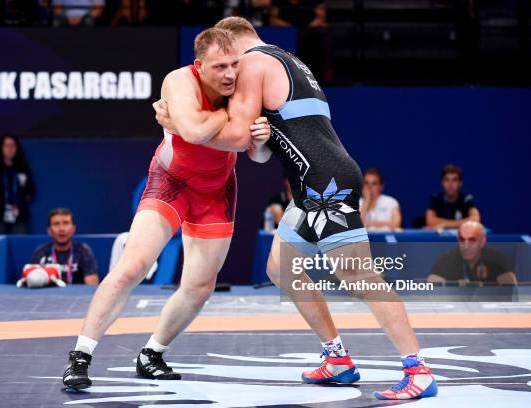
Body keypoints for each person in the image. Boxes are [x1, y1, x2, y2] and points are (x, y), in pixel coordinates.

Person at [155, 16, 437, 400]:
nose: (229, 73)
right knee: (281, 267)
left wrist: (182, 124)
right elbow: (259, 147)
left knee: (358, 275)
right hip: (311, 186)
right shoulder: (288, 60)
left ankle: (417, 369)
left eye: (229, 62)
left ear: (236, 45)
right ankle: (336, 359)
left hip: (327, 185)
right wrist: (261, 138)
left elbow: (237, 135)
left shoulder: (253, 63)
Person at [63, 28, 249, 390]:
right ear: (199, 66)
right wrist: (227, 117)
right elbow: (196, 134)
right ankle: (80, 356)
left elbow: (249, 148)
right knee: (133, 266)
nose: (230, 74)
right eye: (220, 66)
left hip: (216, 192)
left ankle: (151, 354)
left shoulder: (243, 85)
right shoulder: (180, 80)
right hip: (171, 182)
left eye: (234, 65)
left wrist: (194, 122)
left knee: (200, 285)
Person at [428, 220, 517, 286]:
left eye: (472, 240)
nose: (466, 246)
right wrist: (453, 286)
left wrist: (486, 291)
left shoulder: (497, 259)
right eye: (462, 240)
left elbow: (512, 291)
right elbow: (431, 287)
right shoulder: (446, 259)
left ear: (482, 241)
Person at [31, 208, 99, 285]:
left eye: (66, 223)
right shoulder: (41, 252)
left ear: (73, 229)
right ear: (49, 231)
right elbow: (34, 284)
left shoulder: (83, 251)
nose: (61, 229)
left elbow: (92, 287)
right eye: (56, 224)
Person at [0, 134, 35, 237]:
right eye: (6, 146)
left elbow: (30, 192)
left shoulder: (24, 169)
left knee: (19, 246)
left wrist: (17, 206)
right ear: (1, 148)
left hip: (19, 215)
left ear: (17, 148)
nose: (10, 149)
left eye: (12, 146)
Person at [426, 164, 480, 229]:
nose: (450, 184)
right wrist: (461, 223)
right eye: (447, 180)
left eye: (454, 180)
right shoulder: (436, 199)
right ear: (442, 183)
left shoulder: (466, 199)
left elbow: (476, 219)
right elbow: (430, 221)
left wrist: (445, 224)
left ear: (460, 183)